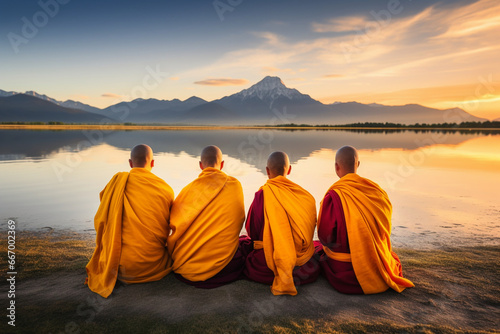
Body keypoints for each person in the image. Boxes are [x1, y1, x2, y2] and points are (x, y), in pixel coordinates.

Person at [316, 145, 414, 294]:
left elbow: (325, 237)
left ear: (336, 167)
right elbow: (384, 229)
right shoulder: (377, 192)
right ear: (358, 164)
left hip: (345, 270)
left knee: (317, 250)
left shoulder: (334, 196)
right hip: (375, 263)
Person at [86, 144, 174, 298]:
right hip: (153, 266)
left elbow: (101, 221)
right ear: (153, 163)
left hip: (116, 268)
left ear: (130, 163)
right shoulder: (165, 189)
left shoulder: (115, 183)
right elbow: (170, 226)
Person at [240, 151, 320, 296]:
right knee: (316, 251)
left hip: (267, 262)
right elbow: (310, 229)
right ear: (289, 170)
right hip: (301, 262)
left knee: (245, 248)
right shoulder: (305, 197)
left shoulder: (262, 195)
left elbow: (252, 231)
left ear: (267, 171)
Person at [167, 145, 246, 288]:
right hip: (224, 266)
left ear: (200, 165)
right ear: (222, 165)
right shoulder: (235, 186)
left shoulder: (188, 190)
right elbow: (239, 221)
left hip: (188, 265)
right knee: (243, 246)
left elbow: (174, 225)